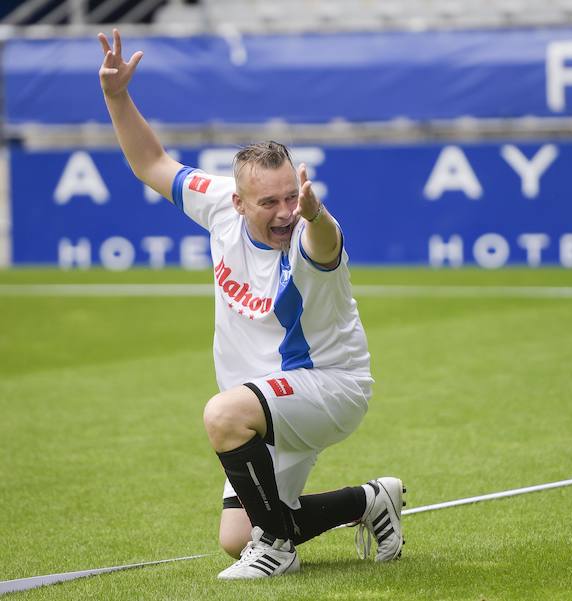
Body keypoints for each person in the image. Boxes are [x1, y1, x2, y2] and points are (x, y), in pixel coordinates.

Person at [97, 29, 405, 579]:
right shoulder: (218, 205)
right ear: (238, 202)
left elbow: (328, 239)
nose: (285, 210)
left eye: (292, 195)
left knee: (223, 413)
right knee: (236, 537)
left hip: (328, 385)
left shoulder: (309, 239)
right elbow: (152, 163)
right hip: (268, 403)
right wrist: (117, 97)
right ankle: (369, 501)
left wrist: (316, 213)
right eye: (271, 201)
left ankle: (279, 550)